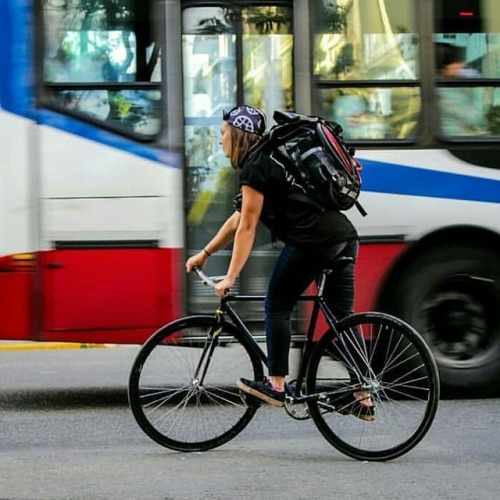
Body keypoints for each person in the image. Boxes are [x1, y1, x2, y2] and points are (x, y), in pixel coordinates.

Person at [185, 105, 374, 420]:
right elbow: (237, 219)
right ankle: (363, 395)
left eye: (222, 133)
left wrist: (230, 277)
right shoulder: (269, 159)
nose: (220, 141)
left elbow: (248, 225)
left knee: (276, 304)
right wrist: (205, 253)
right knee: (342, 317)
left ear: (237, 134)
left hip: (313, 243)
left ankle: (276, 384)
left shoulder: (256, 166)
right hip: (343, 237)